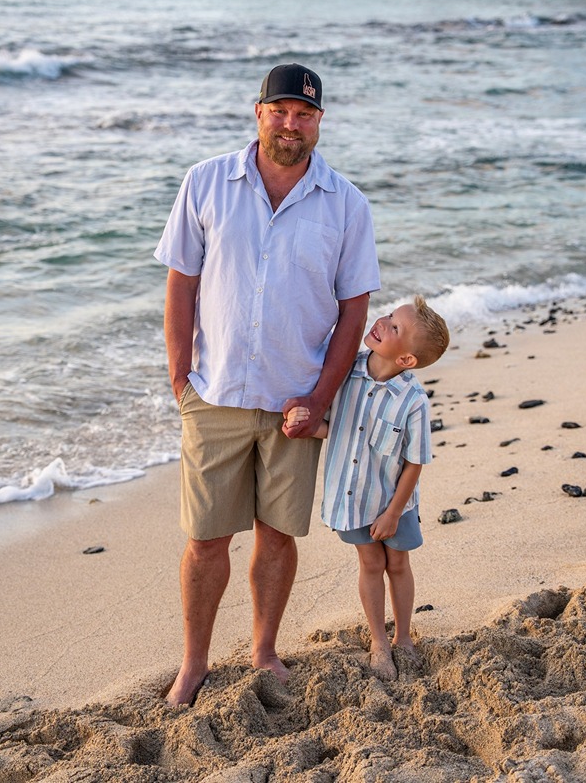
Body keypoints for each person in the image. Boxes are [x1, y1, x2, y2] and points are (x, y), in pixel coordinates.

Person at [154, 62, 380, 706]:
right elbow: (182, 286)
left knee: (277, 536)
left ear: (319, 122)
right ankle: (194, 662)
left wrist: (321, 397)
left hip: (296, 401)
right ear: (258, 113)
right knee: (205, 541)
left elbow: (354, 312)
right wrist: (179, 377)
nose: (291, 124)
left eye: (304, 114)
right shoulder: (205, 184)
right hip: (215, 393)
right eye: (279, 110)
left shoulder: (347, 204)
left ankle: (263, 649)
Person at [284, 297, 449, 680]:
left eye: (395, 327)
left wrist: (393, 512)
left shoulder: (413, 401)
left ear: (407, 360)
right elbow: (333, 427)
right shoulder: (345, 372)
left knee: (398, 563)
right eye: (390, 315)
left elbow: (415, 461)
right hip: (353, 496)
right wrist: (304, 420)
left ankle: (404, 636)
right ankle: (379, 641)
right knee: (371, 563)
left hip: (395, 502)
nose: (382, 321)